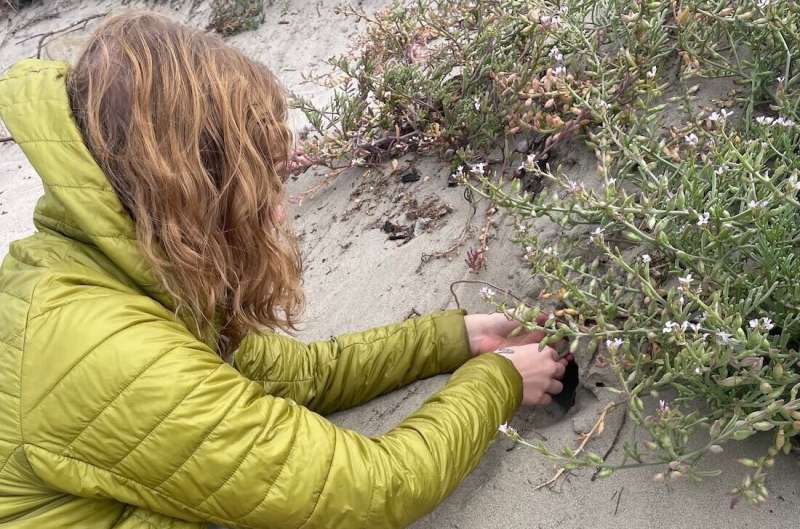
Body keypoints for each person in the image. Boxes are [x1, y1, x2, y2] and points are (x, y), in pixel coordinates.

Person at [0, 12, 567, 529]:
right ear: (189, 191)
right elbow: (371, 490)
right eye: (260, 183)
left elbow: (299, 376)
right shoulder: (109, 353)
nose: (278, 207)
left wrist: (455, 338)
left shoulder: (118, 267)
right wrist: (502, 381)